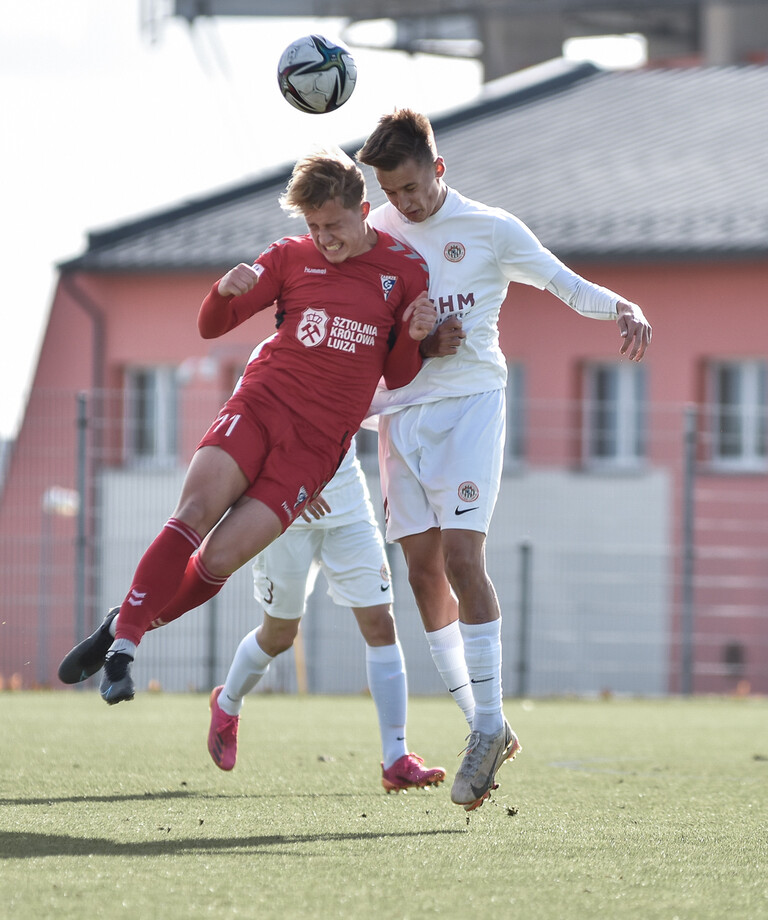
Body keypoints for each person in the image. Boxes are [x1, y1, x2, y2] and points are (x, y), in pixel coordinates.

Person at [356, 109, 653, 811]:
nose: (403, 202)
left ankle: (488, 726)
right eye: (391, 191)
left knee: (464, 559)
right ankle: (483, 723)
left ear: (438, 169)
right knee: (422, 573)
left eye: (411, 186)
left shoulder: (491, 228)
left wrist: (623, 306)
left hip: (471, 408)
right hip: (400, 414)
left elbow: (560, 282)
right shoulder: (378, 235)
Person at [67, 149, 436, 706]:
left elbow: (398, 373)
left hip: (314, 451)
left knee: (217, 561)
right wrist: (223, 291)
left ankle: (122, 622)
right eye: (313, 226)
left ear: (364, 209)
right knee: (191, 516)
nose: (324, 238)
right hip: (261, 406)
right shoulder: (290, 257)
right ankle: (124, 647)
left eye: (333, 225)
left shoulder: (405, 270)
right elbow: (212, 326)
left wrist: (414, 334)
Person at [206, 421, 446, 792]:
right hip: (284, 513)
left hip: (350, 512)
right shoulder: (268, 362)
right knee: (279, 636)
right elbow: (247, 432)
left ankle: (396, 758)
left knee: (381, 625)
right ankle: (228, 702)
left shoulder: (358, 362)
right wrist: (292, 480)